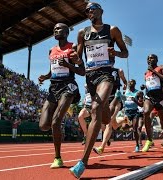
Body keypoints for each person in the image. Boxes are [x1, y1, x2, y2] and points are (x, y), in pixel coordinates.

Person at [69, 2, 128, 178]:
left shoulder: (112, 30)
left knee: (95, 109)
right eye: (87, 10)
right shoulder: (82, 33)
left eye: (92, 9)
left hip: (106, 75)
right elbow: (79, 59)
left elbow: (125, 53)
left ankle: (82, 162)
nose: (89, 12)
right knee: (105, 117)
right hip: (90, 77)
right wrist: (74, 59)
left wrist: (114, 52)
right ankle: (112, 113)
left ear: (101, 11)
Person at [38, 23, 85, 169]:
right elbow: (52, 69)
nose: (56, 31)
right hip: (53, 87)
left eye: (59, 29)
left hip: (68, 86)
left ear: (66, 32)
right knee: (44, 125)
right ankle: (59, 128)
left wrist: (68, 65)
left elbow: (82, 71)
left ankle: (58, 158)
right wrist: (45, 77)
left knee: (55, 121)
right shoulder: (51, 50)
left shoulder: (74, 47)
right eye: (54, 30)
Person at [142, 54, 163, 152]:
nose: (149, 59)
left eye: (152, 58)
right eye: (148, 58)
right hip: (149, 97)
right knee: (145, 112)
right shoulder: (146, 73)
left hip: (160, 98)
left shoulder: (162, 67)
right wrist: (144, 87)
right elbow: (150, 84)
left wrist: (154, 71)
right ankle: (149, 140)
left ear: (156, 59)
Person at [93, 68, 127, 155]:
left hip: (116, 99)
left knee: (109, 123)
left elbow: (125, 81)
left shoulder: (119, 71)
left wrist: (124, 86)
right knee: (114, 125)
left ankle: (102, 147)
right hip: (106, 99)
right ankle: (123, 120)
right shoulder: (101, 71)